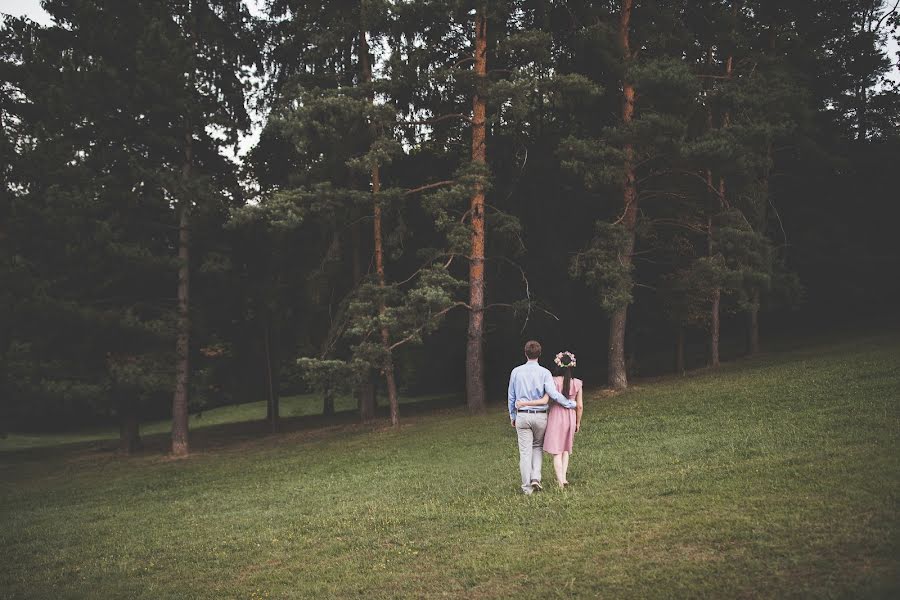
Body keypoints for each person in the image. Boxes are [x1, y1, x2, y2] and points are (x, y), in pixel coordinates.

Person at [508, 340, 577, 495]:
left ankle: (527, 488)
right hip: (540, 416)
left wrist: (512, 415)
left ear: (525, 353)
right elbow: (553, 394)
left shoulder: (516, 372)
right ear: (539, 354)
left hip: (523, 415)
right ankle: (536, 478)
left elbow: (511, 397)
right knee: (537, 447)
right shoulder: (545, 373)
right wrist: (570, 404)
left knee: (525, 452)